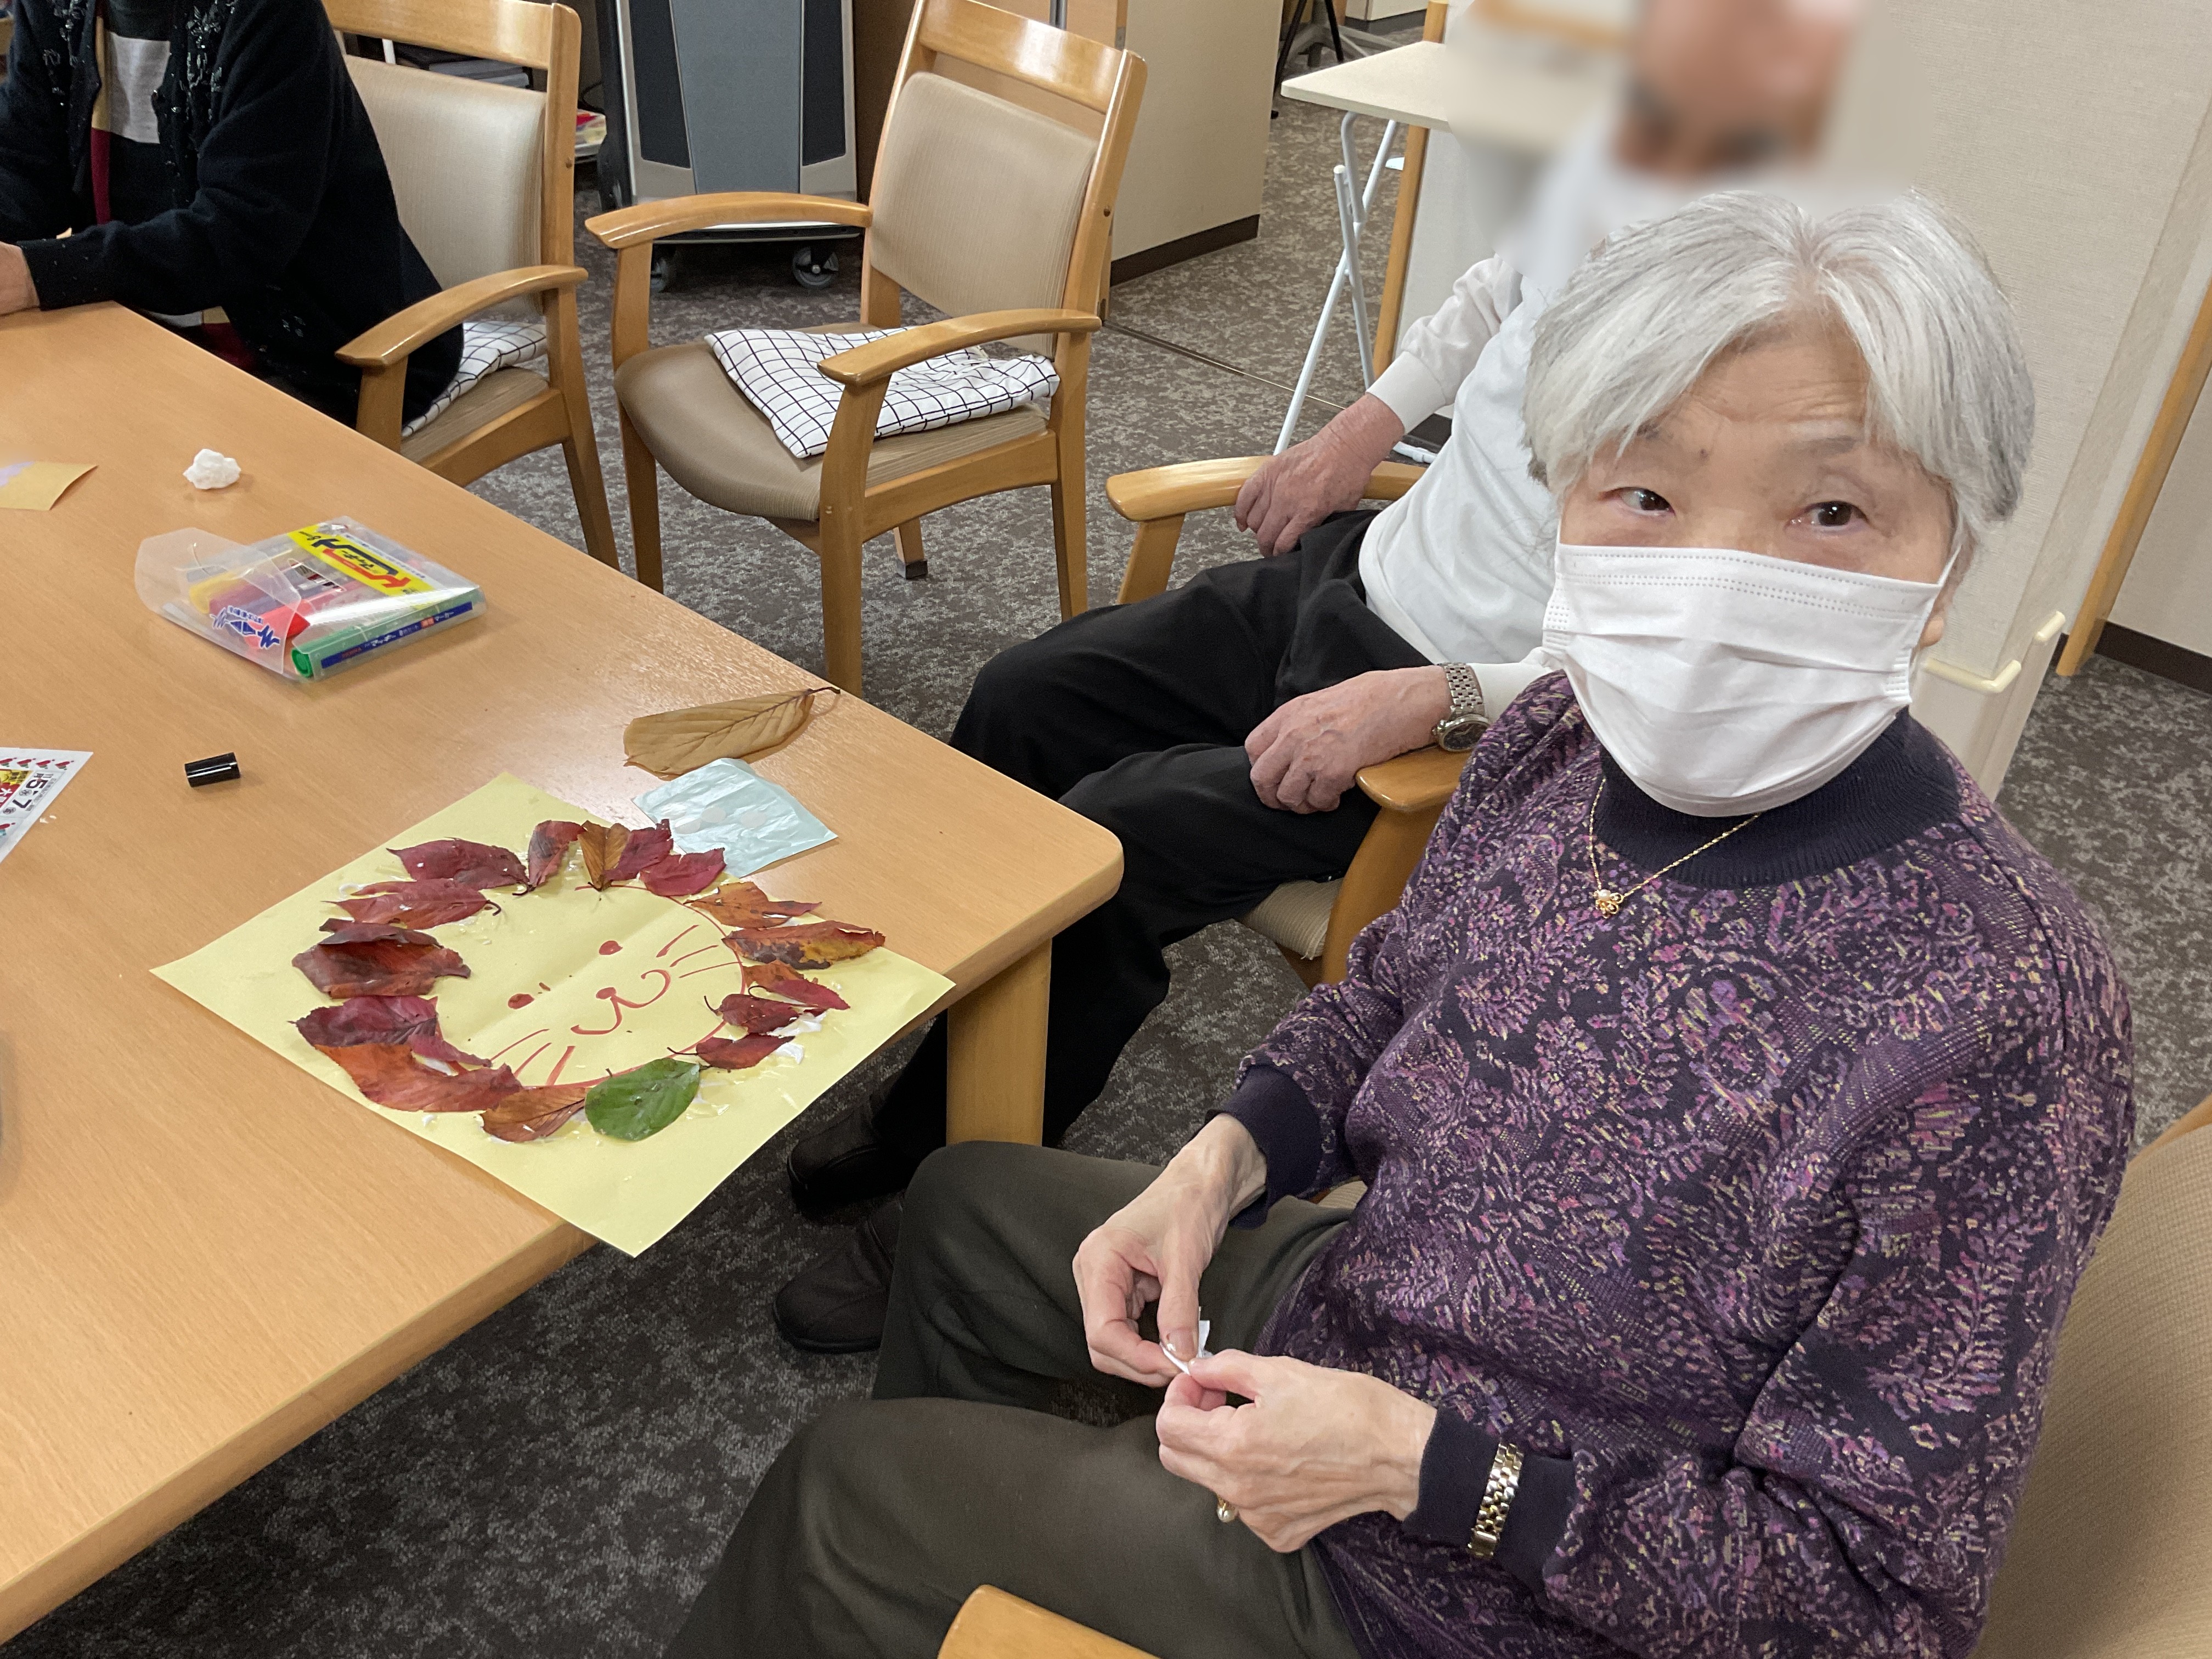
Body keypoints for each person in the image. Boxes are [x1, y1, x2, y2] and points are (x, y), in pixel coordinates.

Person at [667, 191, 2134, 1659]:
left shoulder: (2002, 1012)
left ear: (1948, 568)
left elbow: (1872, 1609)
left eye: (1832, 511)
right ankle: (989, 1598)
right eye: (1646, 494)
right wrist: (1228, 1154)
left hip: (1469, 1582)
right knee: (962, 1209)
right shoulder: (1559, 739)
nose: (1715, 584)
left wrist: (1434, 1475)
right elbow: (1387, 996)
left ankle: (965, 1569)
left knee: (838, 1498)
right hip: (1378, 1298)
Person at [773, 0, 1864, 1352]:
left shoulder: (1767, 323)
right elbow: (1494, 294)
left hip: (1453, 721)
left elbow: (1674, 654)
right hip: (1352, 580)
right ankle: (937, 1079)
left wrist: (1432, 700)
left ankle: (950, 1197)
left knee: (1113, 842)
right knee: (1023, 698)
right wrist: (1361, 427)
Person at [0, 0, 461, 424]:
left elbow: (241, 233)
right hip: (132, 327)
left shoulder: (270, 13)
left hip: (307, 354)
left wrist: (35, 275)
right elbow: (24, 169)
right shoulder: (52, 9)